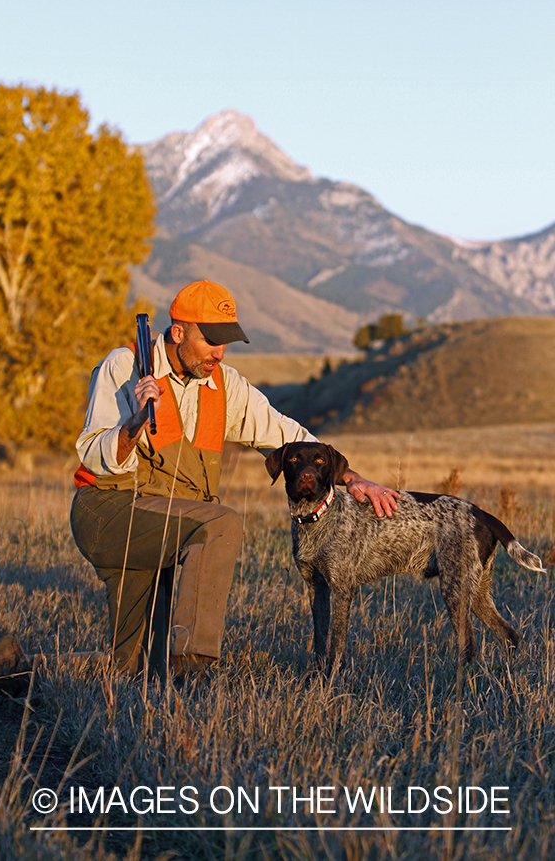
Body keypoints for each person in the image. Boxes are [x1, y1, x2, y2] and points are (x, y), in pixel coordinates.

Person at [69, 280, 399, 682]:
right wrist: (134, 425)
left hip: (167, 520)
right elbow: (92, 454)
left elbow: (287, 436)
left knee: (131, 667)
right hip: (110, 512)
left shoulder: (225, 385)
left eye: (226, 343)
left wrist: (354, 479)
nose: (218, 353)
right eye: (211, 341)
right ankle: (192, 668)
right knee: (221, 522)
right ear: (178, 332)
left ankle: (14, 667)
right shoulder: (125, 366)